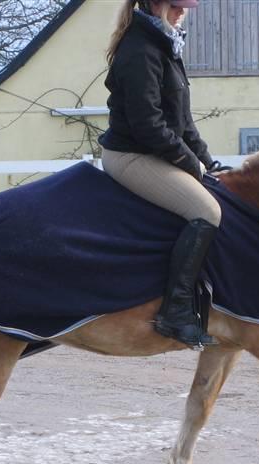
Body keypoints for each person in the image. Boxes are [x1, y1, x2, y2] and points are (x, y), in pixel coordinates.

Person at [99, 0, 221, 349]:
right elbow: (148, 126)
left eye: (184, 5)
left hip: (153, 150)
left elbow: (183, 122)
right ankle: (176, 312)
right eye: (175, 4)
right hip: (130, 156)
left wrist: (210, 164)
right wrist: (190, 164)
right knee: (207, 212)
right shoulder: (140, 49)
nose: (182, 10)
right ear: (154, 3)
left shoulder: (165, 44)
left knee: (219, 192)